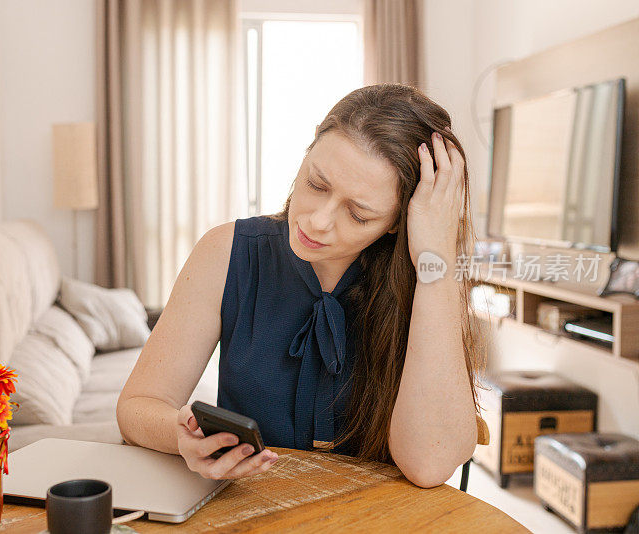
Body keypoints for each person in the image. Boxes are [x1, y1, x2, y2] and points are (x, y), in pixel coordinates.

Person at [116, 84, 486, 489]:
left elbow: (428, 465)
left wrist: (436, 258)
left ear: (399, 221)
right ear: (307, 154)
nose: (318, 221)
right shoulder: (227, 253)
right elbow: (136, 408)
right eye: (316, 184)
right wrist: (181, 436)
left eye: (359, 214)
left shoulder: (428, 277)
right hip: (250, 512)